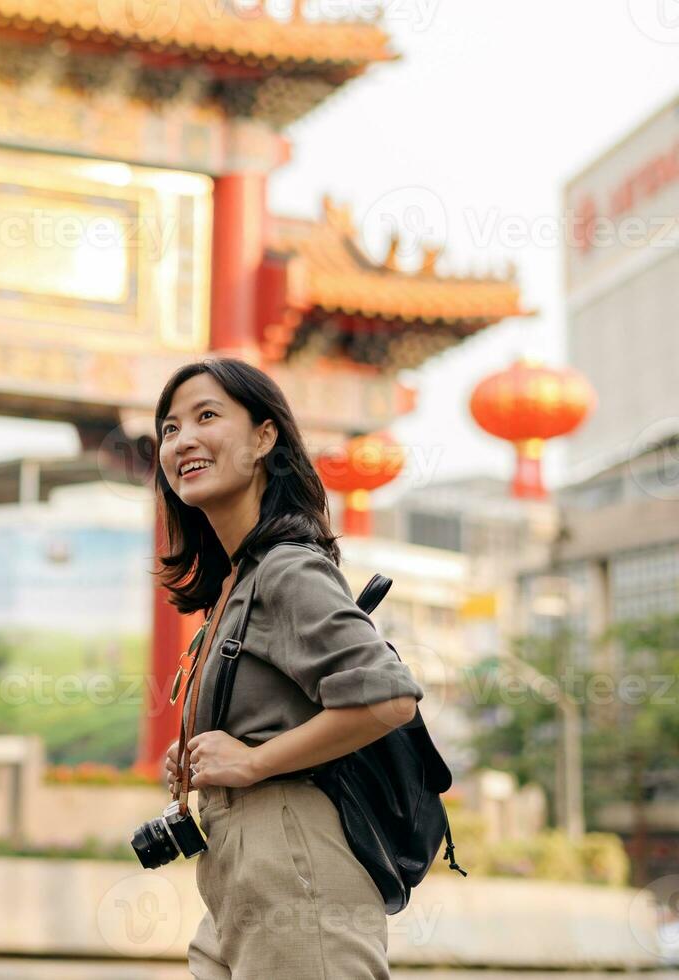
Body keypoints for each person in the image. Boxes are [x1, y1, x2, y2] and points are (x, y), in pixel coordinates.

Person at [154, 358, 423, 979]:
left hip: (292, 853)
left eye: (207, 416)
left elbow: (388, 699)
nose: (182, 439)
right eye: (169, 428)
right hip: (236, 867)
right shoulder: (238, 581)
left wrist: (250, 761)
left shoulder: (285, 568)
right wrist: (204, 757)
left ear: (263, 438)